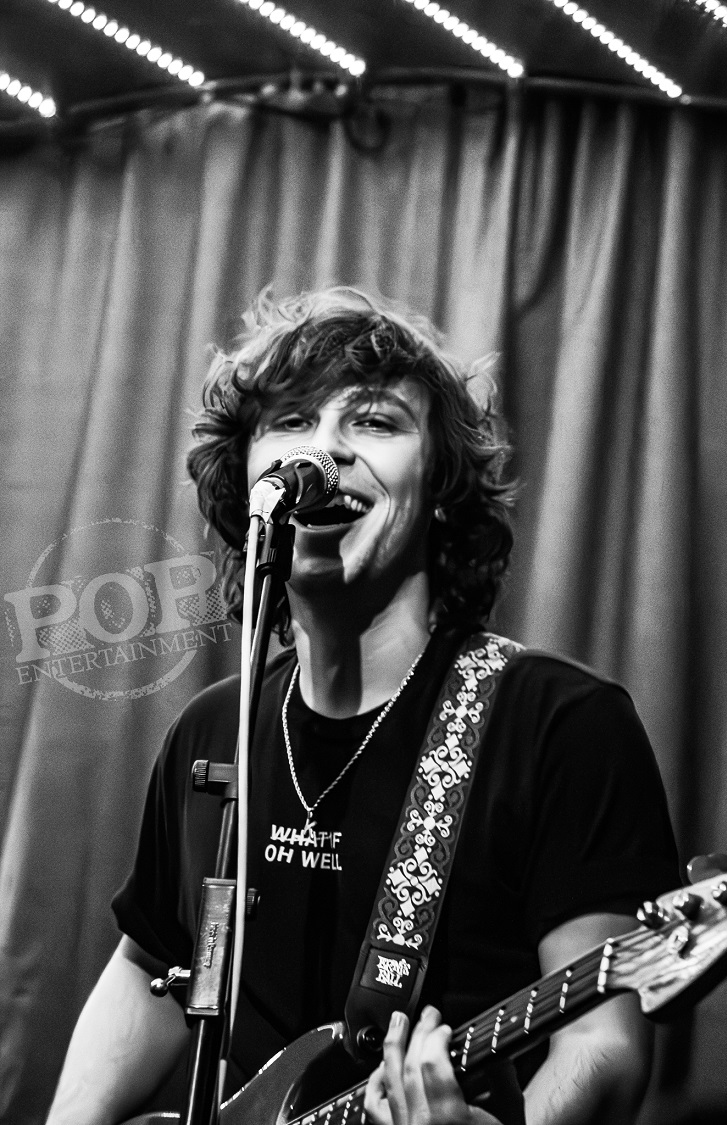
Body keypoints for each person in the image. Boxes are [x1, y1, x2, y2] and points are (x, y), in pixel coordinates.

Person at [46, 288, 680, 1125]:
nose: (325, 449)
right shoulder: (215, 726)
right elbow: (147, 968)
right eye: (291, 421)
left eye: (375, 421)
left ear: (441, 488)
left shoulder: (561, 723)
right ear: (247, 484)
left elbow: (605, 1040)